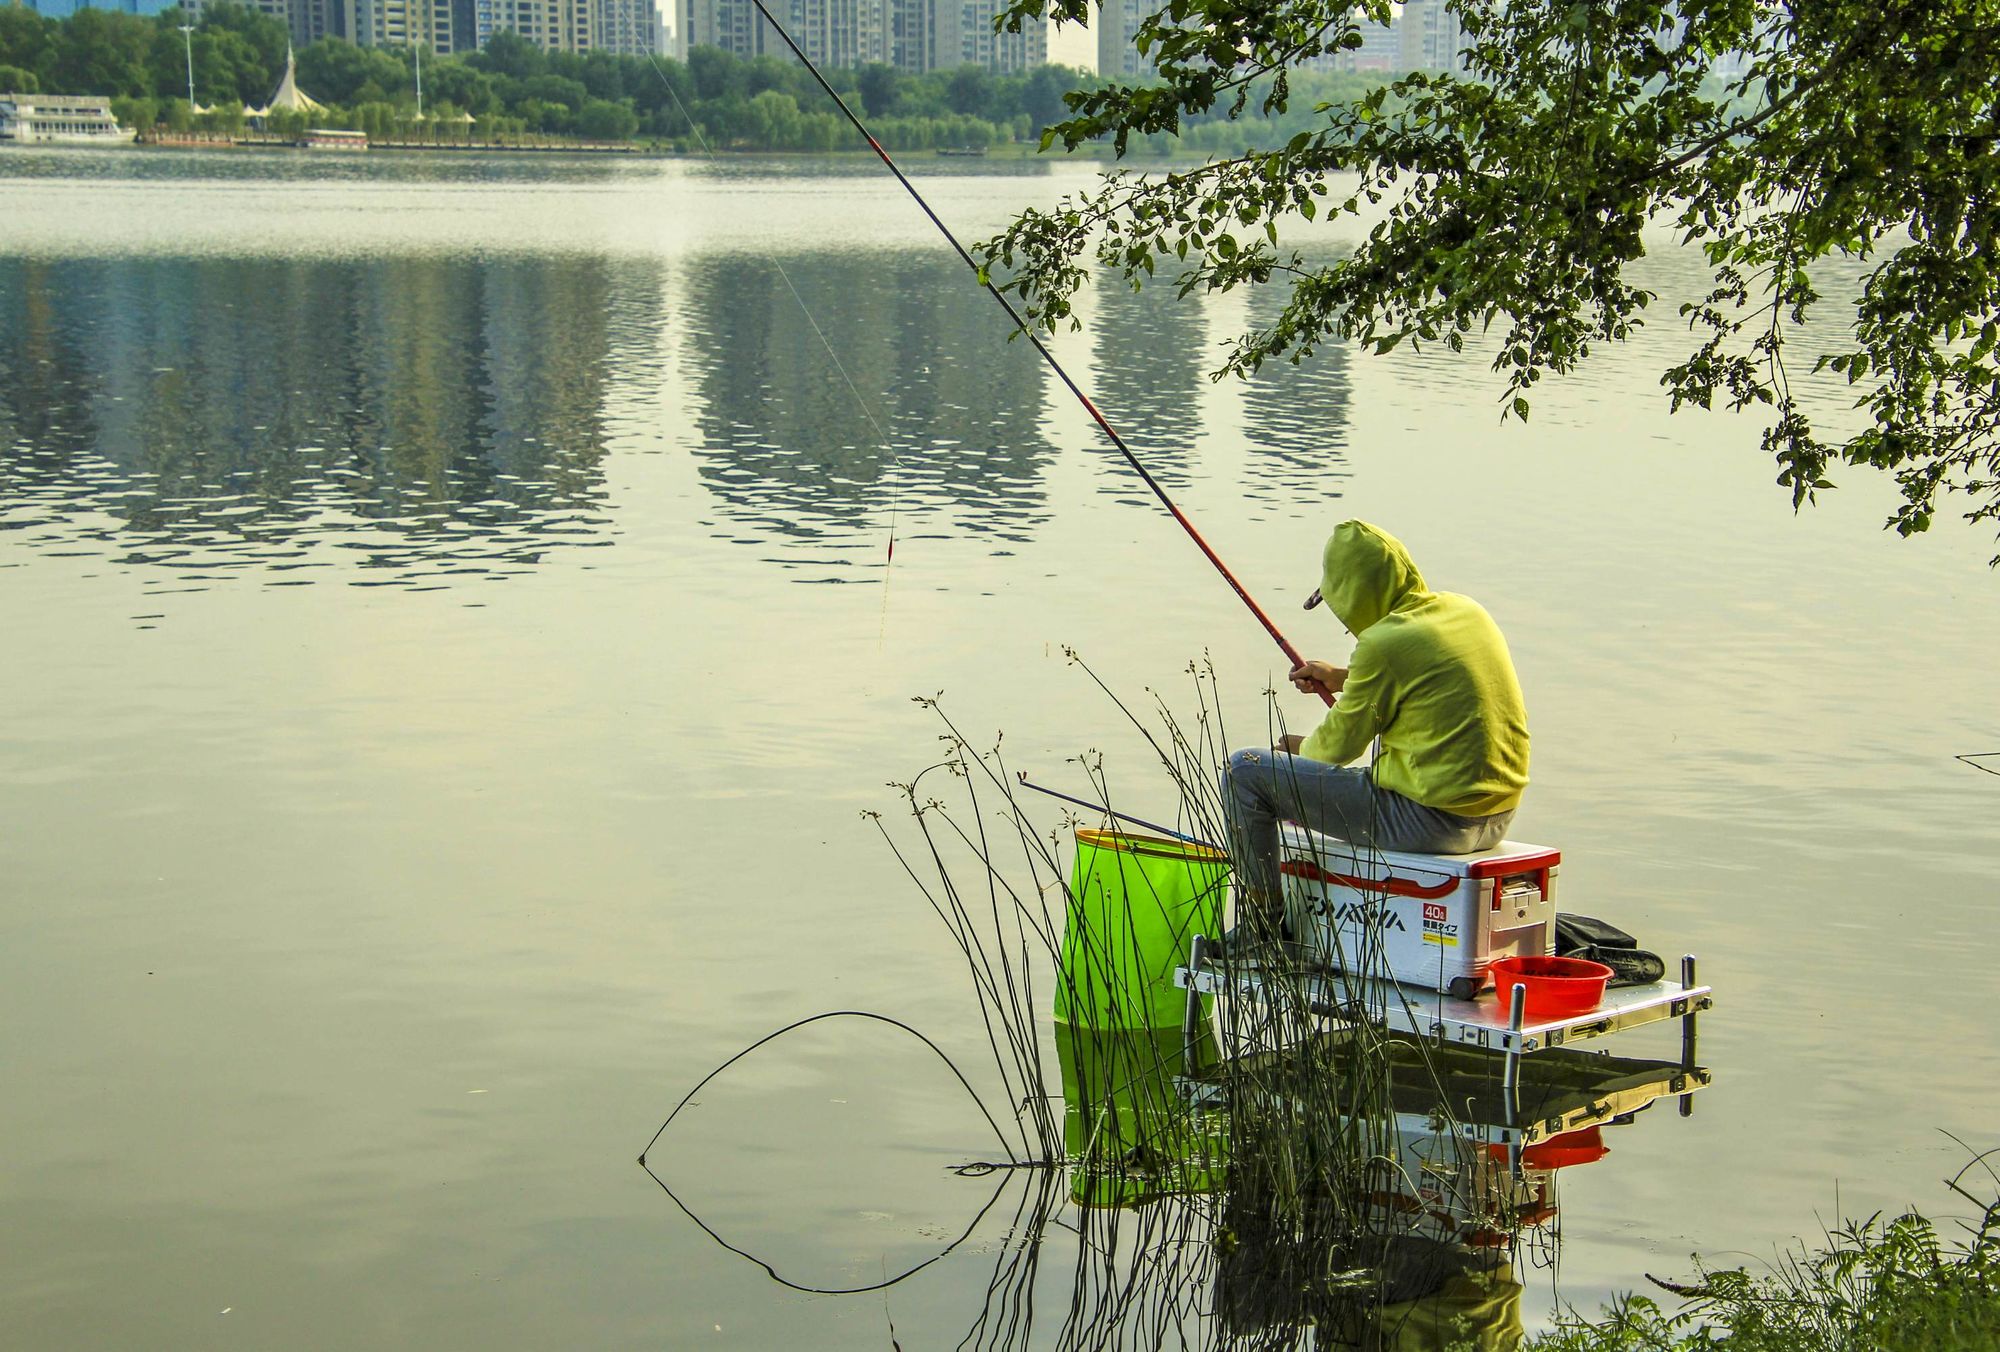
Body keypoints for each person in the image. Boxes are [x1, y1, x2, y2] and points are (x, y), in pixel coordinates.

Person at [1222, 520, 1529, 926]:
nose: (1344, 622)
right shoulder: (1466, 611)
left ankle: (1261, 929)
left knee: (1246, 771)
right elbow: (1421, 679)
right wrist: (1342, 679)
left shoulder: (1383, 644)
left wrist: (1290, 749)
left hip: (1432, 823)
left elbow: (1334, 751)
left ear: (1354, 595)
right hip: (1498, 817)